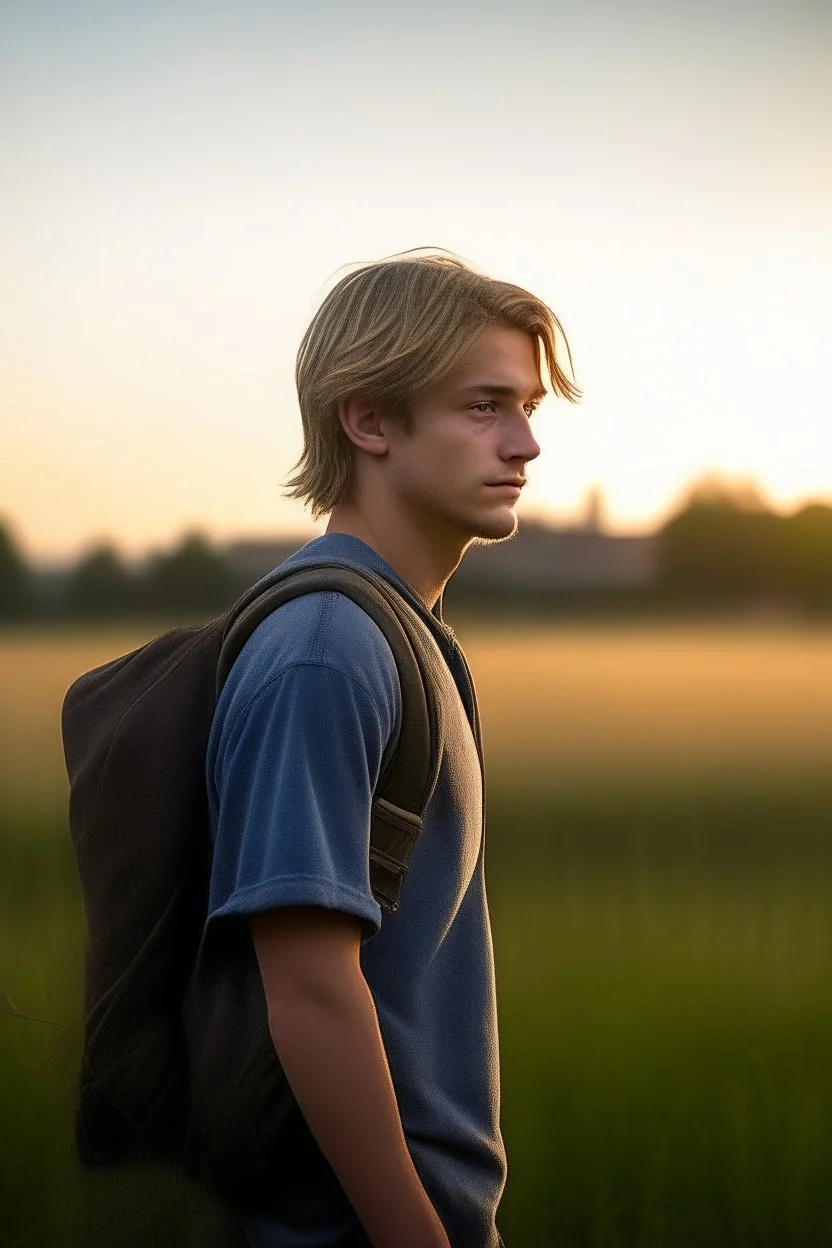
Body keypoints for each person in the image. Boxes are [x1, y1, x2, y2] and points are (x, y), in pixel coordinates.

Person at [204, 251, 578, 1247]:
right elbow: (309, 986)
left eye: (529, 407)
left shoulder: (401, 635)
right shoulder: (328, 650)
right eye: (485, 406)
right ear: (368, 420)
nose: (527, 444)